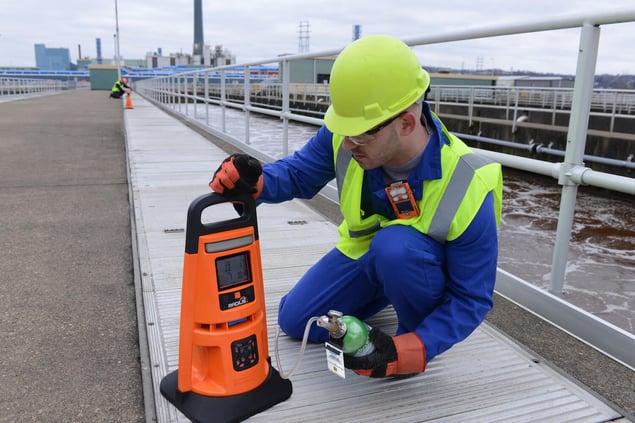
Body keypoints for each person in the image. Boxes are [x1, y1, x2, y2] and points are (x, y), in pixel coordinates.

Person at [210, 35, 503, 378]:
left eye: (360, 135)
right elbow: (297, 173)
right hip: (364, 256)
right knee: (295, 319)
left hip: (412, 262)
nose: (348, 144)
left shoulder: (469, 182)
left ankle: (411, 335)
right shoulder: (346, 135)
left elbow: (472, 299)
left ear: (406, 123)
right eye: (343, 130)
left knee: (395, 249)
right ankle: (386, 290)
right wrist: (255, 181)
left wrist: (408, 351)